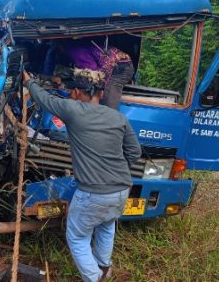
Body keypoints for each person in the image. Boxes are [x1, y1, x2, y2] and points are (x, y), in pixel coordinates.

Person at [23, 70, 141, 282]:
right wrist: (118, 171)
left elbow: (44, 98)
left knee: (77, 237)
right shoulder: (117, 116)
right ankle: (104, 268)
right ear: (100, 92)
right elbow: (135, 152)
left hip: (93, 193)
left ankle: (94, 278)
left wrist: (28, 81)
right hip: (122, 189)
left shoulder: (73, 109)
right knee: (106, 226)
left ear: (77, 91)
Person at [44, 39, 134, 110]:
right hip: (112, 65)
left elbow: (92, 73)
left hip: (120, 67)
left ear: (60, 47)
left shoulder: (74, 51)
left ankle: (111, 122)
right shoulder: (71, 47)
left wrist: (67, 84)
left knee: (108, 100)